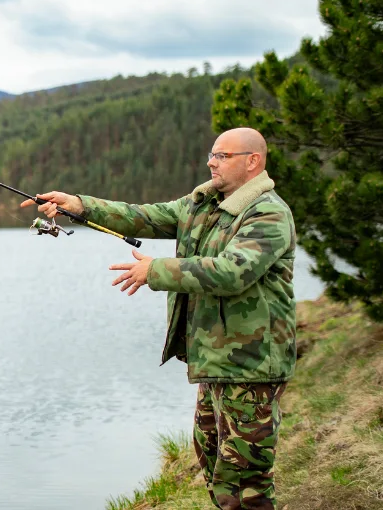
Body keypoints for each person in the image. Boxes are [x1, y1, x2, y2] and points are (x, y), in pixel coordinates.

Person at [20, 127, 297, 510]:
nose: (211, 162)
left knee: (247, 481)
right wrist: (80, 206)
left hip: (251, 365)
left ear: (253, 162)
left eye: (222, 156)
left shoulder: (268, 213)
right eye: (211, 155)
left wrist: (156, 271)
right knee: (214, 463)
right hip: (218, 362)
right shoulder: (201, 204)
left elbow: (233, 272)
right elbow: (143, 217)